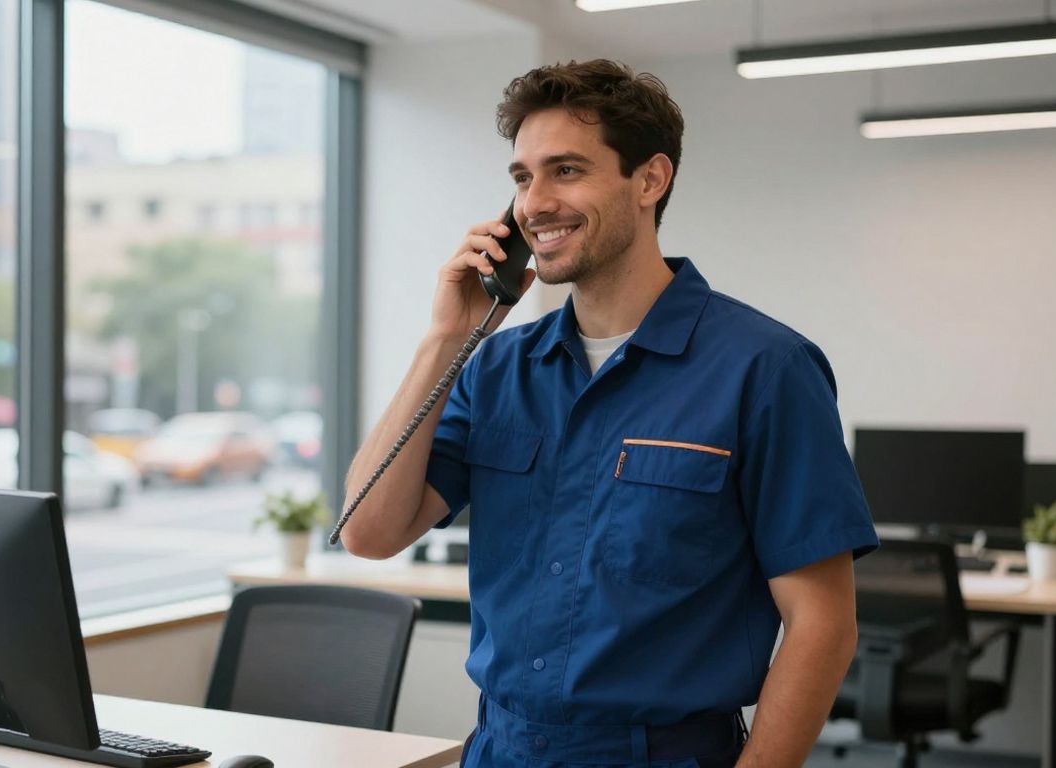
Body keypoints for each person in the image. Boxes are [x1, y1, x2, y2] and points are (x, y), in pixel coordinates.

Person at [340, 59, 878, 768]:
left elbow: (821, 625)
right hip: (499, 750)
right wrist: (447, 339)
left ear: (650, 180)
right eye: (522, 178)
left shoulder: (765, 369)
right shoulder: (498, 368)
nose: (534, 203)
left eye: (565, 170)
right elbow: (369, 533)